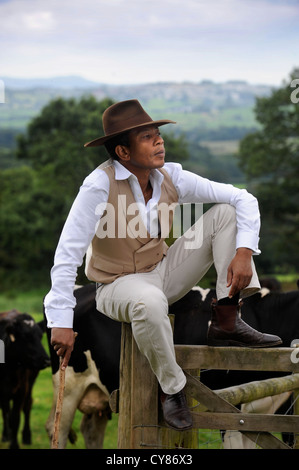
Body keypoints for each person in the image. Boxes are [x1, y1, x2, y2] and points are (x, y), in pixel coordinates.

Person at [44, 99, 282, 431]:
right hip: (116, 284)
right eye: (147, 137)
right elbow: (66, 254)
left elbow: (243, 197)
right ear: (123, 152)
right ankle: (172, 389)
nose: (160, 141)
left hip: (163, 270)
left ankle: (227, 317)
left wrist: (244, 250)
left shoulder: (171, 175)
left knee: (226, 214)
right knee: (149, 301)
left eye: (158, 134)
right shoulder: (98, 185)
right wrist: (60, 320)